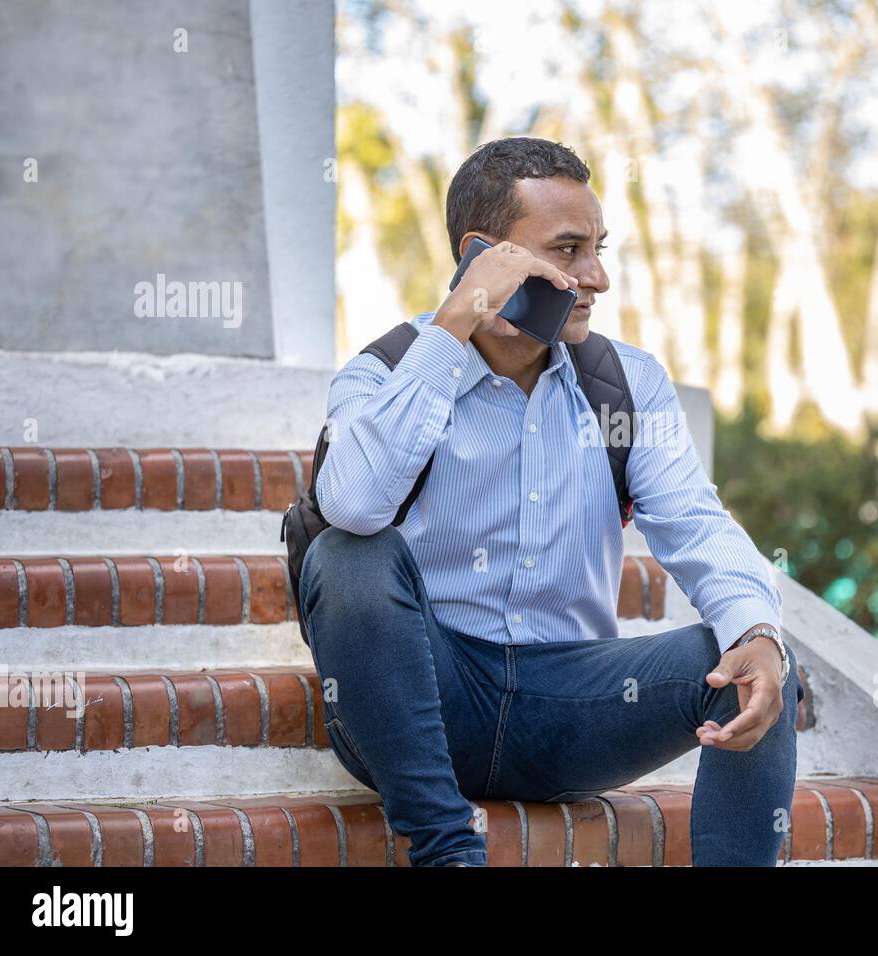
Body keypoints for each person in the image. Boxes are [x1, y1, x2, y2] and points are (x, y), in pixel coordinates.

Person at [299, 136, 801, 867]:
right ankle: (447, 854)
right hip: (421, 706)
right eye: (567, 250)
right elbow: (351, 505)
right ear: (481, 257)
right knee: (347, 557)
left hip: (576, 707)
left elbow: (696, 521)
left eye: (599, 248)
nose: (595, 276)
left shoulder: (625, 385)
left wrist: (758, 629)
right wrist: (453, 327)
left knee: (752, 655)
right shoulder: (385, 375)